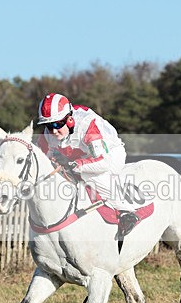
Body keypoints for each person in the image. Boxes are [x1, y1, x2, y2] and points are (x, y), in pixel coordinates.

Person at [36, 92, 141, 238]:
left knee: (89, 176)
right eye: (47, 125)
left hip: (110, 154)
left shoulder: (87, 125)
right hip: (82, 155)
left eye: (57, 124)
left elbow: (103, 163)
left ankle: (127, 212)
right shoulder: (48, 134)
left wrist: (74, 164)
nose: (53, 130)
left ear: (70, 119)